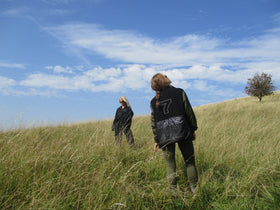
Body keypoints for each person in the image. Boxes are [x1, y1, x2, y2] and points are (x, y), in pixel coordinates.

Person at [150, 73, 198, 193]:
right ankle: (194, 190)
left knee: (170, 166)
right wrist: (193, 129)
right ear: (163, 80)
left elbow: (154, 123)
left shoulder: (153, 101)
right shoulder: (179, 92)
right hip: (183, 132)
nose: (167, 76)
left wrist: (157, 140)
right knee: (190, 161)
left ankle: (172, 193)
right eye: (165, 75)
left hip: (163, 136)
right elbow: (189, 113)